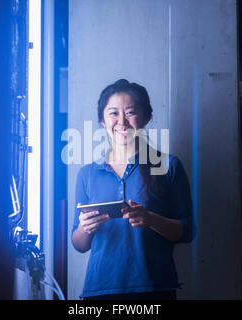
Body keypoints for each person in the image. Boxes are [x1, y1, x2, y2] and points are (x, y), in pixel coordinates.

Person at [71, 79, 196, 300]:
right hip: (100, 290)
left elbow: (187, 232)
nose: (122, 121)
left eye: (130, 112)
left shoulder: (168, 166)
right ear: (102, 120)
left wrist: (151, 219)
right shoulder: (87, 174)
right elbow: (79, 245)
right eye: (113, 113)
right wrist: (85, 228)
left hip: (154, 289)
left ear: (146, 117)